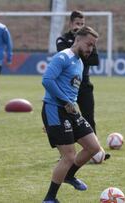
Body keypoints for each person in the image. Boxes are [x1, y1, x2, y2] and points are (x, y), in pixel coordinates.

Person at [41, 26, 101, 203]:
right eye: (89, 44)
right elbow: (47, 81)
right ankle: (50, 198)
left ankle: (69, 176)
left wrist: (72, 107)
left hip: (70, 111)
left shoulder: (80, 62)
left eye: (93, 46)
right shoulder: (63, 56)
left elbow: (70, 91)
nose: (90, 49)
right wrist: (65, 102)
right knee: (68, 156)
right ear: (78, 39)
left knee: (94, 147)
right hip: (55, 109)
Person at [56, 10, 110, 160]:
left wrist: (80, 51)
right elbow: (66, 56)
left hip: (84, 85)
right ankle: (65, 154)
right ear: (70, 24)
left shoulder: (89, 40)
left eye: (82, 23)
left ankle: (96, 152)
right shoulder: (62, 39)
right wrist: (79, 48)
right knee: (66, 120)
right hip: (67, 86)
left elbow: (95, 61)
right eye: (77, 23)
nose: (79, 26)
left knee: (89, 117)